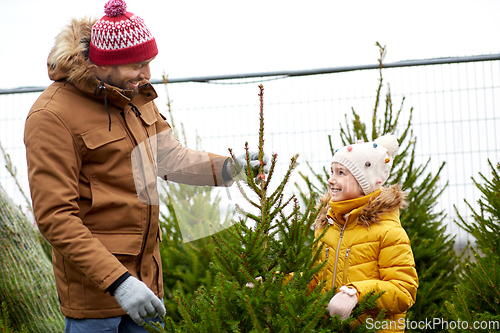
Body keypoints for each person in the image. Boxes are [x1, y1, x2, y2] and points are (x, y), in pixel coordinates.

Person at [24, 0, 267, 332]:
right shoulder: (52, 116)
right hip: (97, 305)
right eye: (137, 64)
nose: (147, 74)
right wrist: (119, 283)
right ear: (103, 64)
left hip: (148, 289)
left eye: (149, 62)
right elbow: (55, 217)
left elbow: (170, 158)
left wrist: (228, 168)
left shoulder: (134, 98)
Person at [309, 134, 418, 333]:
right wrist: (277, 283)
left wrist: (357, 294)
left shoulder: (388, 231)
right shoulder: (327, 226)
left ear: (364, 181)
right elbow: (315, 280)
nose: (331, 179)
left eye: (341, 173)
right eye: (332, 171)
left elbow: (404, 291)